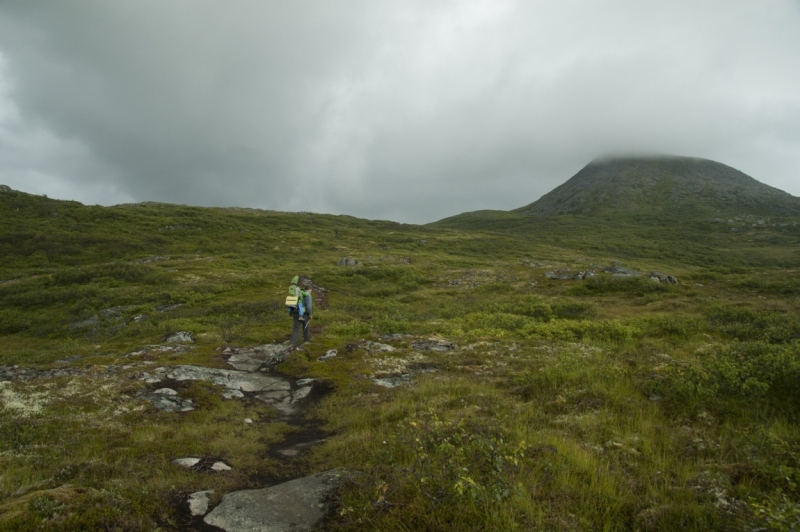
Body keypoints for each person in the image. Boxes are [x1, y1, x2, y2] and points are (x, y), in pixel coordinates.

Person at [289, 276, 313, 345]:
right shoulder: (308, 295)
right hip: (304, 314)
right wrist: (310, 314)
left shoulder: (298, 293)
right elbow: (308, 306)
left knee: (296, 329)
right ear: (309, 289)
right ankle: (306, 341)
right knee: (306, 328)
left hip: (295, 312)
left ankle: (292, 343)